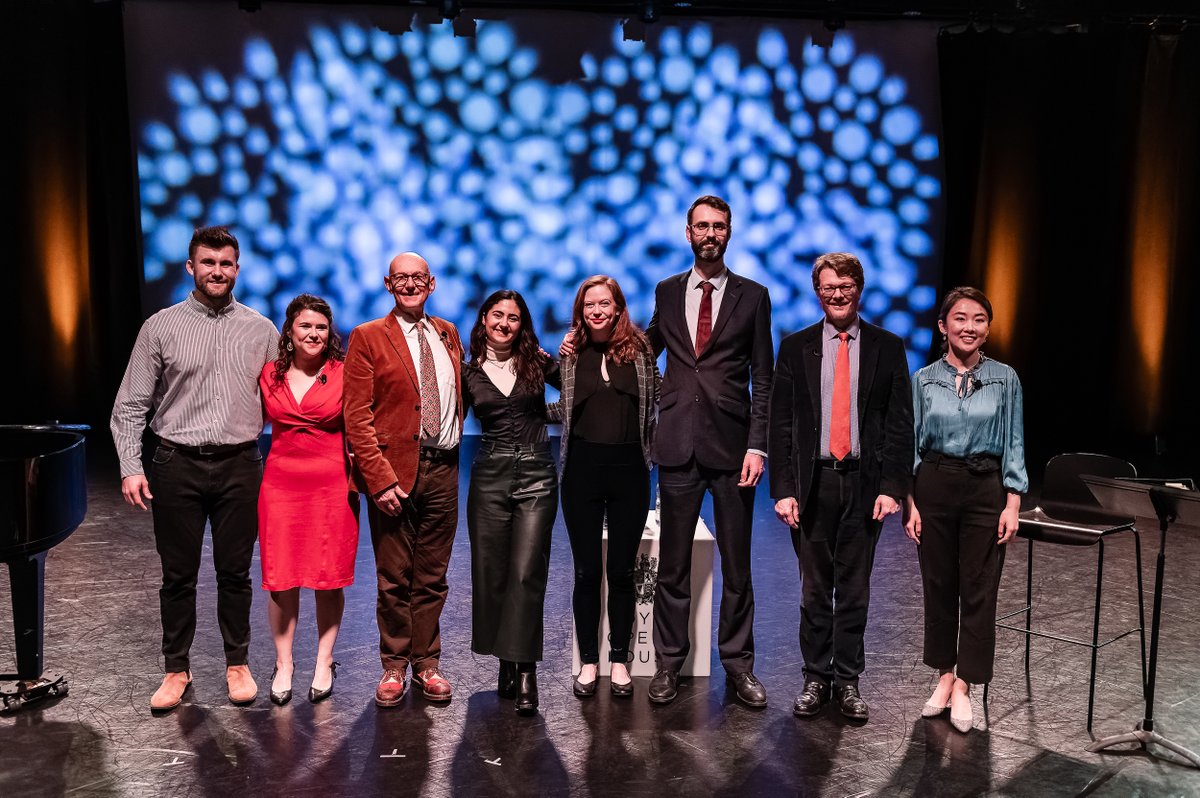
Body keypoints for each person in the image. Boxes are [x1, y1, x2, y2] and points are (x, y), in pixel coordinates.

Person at [111, 225, 277, 712]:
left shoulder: (261, 329)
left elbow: (282, 400)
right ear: (191, 267)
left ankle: (237, 664)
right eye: (208, 262)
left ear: (237, 270)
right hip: (175, 464)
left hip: (239, 465)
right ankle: (176, 669)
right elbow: (130, 406)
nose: (217, 271)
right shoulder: (159, 327)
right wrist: (130, 465)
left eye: (226, 264)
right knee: (178, 575)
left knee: (235, 573)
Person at [768, 252, 913, 723]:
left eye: (846, 285)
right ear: (817, 292)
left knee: (854, 591)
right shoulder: (795, 347)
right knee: (814, 591)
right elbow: (782, 425)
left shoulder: (887, 347)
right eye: (829, 286)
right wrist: (783, 489)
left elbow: (898, 424)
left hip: (864, 488)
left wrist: (893, 486)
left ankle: (848, 680)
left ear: (859, 289)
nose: (837, 294)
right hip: (812, 486)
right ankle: (816, 677)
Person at [646, 196, 774, 708]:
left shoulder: (754, 296)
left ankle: (739, 666)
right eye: (702, 225)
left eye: (718, 226)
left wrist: (758, 445)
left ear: (729, 232)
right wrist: (586, 343)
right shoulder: (668, 290)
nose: (710, 233)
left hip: (732, 446)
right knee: (672, 564)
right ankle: (668, 664)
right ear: (687, 232)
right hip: (677, 443)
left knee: (737, 566)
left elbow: (762, 376)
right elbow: (644, 346)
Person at [343, 252, 464, 708]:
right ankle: (394, 666)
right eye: (401, 278)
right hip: (394, 475)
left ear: (431, 283)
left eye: (418, 278)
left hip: (444, 469)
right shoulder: (368, 337)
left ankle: (427, 663)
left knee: (432, 577)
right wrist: (378, 479)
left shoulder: (448, 333)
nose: (410, 284)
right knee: (394, 577)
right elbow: (356, 415)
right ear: (387, 284)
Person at [904, 286, 1026, 734]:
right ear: (943, 326)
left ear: (987, 329)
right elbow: (911, 444)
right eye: (960, 318)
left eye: (978, 319)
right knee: (938, 584)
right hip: (934, 484)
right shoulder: (922, 380)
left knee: (979, 587)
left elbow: (1014, 442)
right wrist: (909, 502)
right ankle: (943, 676)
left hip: (985, 487)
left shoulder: (1005, 378)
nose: (969, 327)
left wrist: (1013, 502)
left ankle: (966, 685)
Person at [553, 275, 660, 700]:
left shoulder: (641, 350)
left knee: (620, 571)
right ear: (581, 311)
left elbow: (657, 398)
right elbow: (563, 407)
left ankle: (619, 659)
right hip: (581, 470)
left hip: (630, 470)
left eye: (604, 304)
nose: (596, 311)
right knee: (585, 572)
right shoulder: (570, 352)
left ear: (617, 307)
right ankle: (589, 663)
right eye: (588, 305)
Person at [257, 294, 359, 706]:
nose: (313, 333)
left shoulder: (345, 372)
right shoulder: (269, 374)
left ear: (328, 332)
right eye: (305, 326)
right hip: (280, 486)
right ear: (290, 331)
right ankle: (284, 664)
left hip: (332, 486)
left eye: (320, 327)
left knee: (327, 576)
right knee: (281, 578)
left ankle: (323, 660)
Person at [462, 290, 561, 716]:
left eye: (514, 317)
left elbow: (580, 391)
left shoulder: (538, 362)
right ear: (484, 318)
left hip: (537, 473)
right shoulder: (465, 371)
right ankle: (506, 658)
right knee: (494, 575)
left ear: (523, 324)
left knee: (525, 573)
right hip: (489, 474)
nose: (505, 323)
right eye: (497, 315)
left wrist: (548, 415)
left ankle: (525, 672)